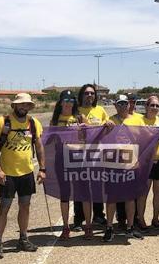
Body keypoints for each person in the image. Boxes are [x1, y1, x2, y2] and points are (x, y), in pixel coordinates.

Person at [0, 93, 45, 259]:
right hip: (8, 174)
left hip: (26, 172)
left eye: (26, 105)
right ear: (14, 106)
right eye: (20, 104)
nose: (23, 107)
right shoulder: (2, 122)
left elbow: (39, 146)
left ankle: (23, 238)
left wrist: (43, 169)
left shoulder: (33, 123)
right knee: (4, 207)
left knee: (25, 206)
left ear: (29, 107)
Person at [102, 95, 145, 241]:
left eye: (124, 104)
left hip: (130, 163)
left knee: (130, 197)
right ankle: (109, 227)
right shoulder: (110, 120)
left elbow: (144, 139)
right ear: (115, 105)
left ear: (129, 105)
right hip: (113, 164)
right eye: (119, 104)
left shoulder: (137, 120)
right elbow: (101, 138)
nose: (122, 106)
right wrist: (106, 128)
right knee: (112, 197)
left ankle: (130, 227)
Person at [74, 84, 110, 230]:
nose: (89, 96)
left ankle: (98, 215)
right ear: (82, 95)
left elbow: (107, 126)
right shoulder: (75, 111)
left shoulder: (100, 110)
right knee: (80, 186)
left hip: (96, 153)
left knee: (96, 185)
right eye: (86, 93)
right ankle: (79, 218)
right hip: (79, 153)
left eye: (92, 93)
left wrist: (108, 124)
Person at [50, 90, 84, 240]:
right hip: (61, 159)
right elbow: (49, 141)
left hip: (77, 158)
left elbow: (88, 136)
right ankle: (65, 226)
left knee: (79, 191)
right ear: (61, 102)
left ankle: (83, 223)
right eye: (66, 99)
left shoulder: (79, 117)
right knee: (64, 193)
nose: (69, 102)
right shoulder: (55, 119)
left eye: (71, 100)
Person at [139, 96, 159, 228]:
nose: (154, 108)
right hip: (146, 162)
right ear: (146, 106)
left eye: (157, 106)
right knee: (143, 193)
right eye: (152, 105)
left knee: (158, 193)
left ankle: (155, 219)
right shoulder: (140, 121)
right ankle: (141, 220)